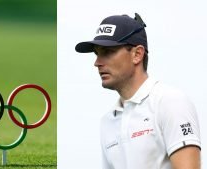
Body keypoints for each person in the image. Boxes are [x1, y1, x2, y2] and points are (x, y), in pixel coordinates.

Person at [75, 13, 201, 169]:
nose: (97, 62)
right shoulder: (107, 121)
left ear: (137, 54)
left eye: (107, 52)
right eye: (97, 53)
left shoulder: (170, 102)